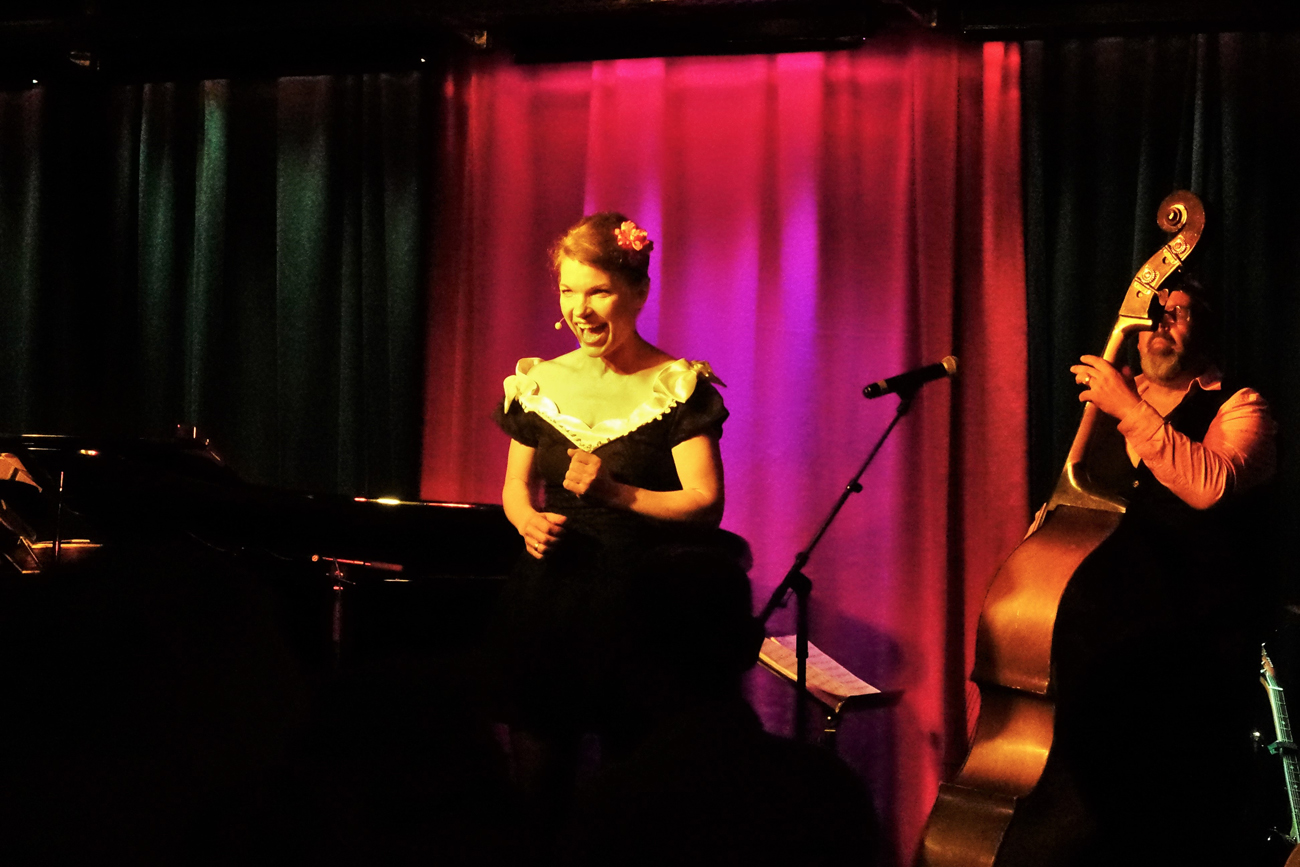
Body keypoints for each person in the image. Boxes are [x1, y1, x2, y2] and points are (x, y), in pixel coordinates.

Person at [489, 212, 732, 857]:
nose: (580, 309)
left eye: (597, 291)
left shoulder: (676, 386)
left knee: (632, 805)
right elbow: (514, 487)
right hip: (547, 606)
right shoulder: (538, 383)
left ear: (638, 292)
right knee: (536, 800)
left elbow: (705, 503)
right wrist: (525, 520)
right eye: (568, 291)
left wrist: (617, 494)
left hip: (639, 614)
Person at [1051, 274, 1278, 865]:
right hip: (1100, 655)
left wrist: (1128, 407)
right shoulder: (1110, 401)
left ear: (1207, 328)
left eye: (1181, 311)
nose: (1163, 322)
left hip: (1191, 667)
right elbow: (1069, 508)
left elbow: (1209, 484)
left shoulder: (1241, 405)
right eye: (1157, 310)